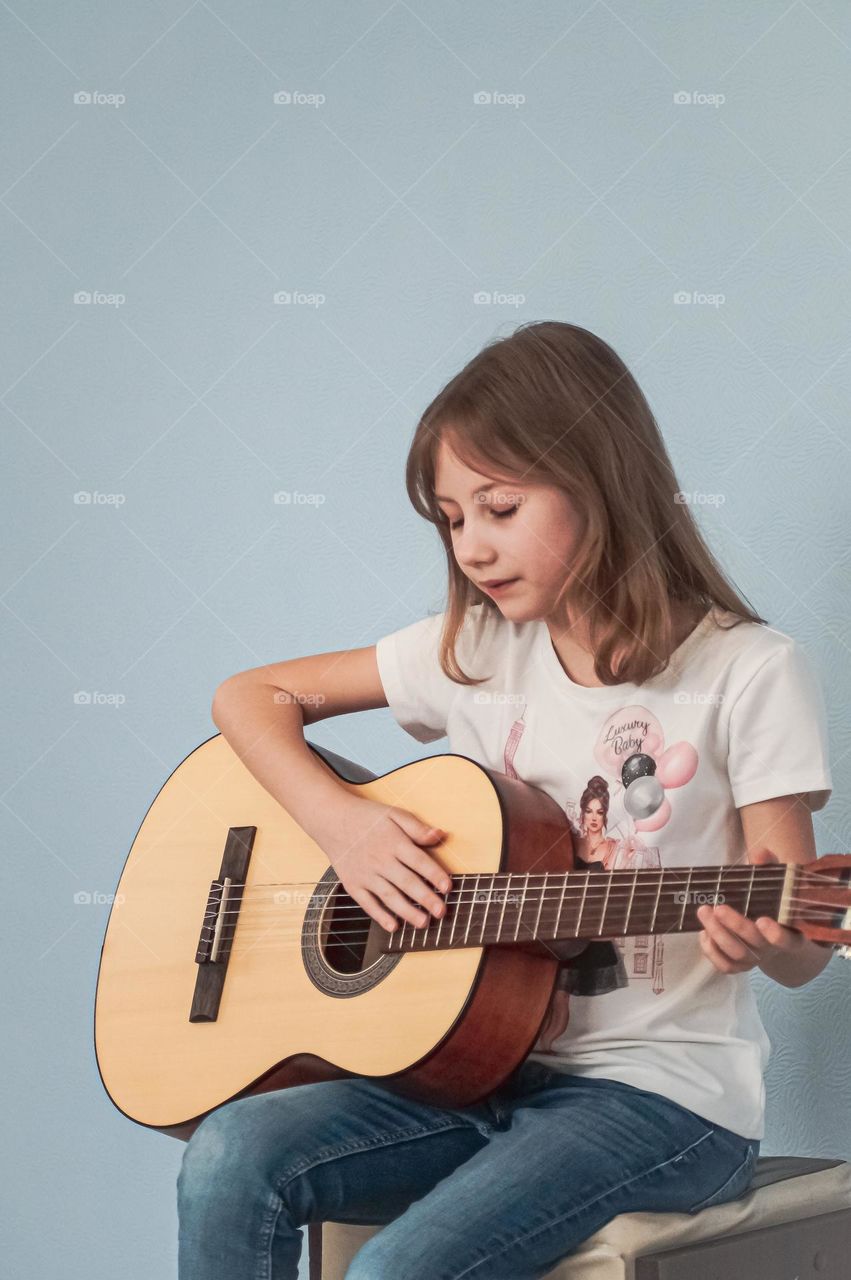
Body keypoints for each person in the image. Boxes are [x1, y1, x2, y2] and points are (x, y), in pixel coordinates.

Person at [177, 321, 833, 1280]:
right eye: (451, 519)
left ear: (600, 485)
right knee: (232, 1154)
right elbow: (249, 697)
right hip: (470, 1070)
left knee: (395, 1271)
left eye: (499, 507)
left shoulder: (748, 670)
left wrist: (777, 939)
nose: (473, 547)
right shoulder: (475, 650)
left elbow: (803, 935)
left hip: (660, 1101)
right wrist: (345, 826)